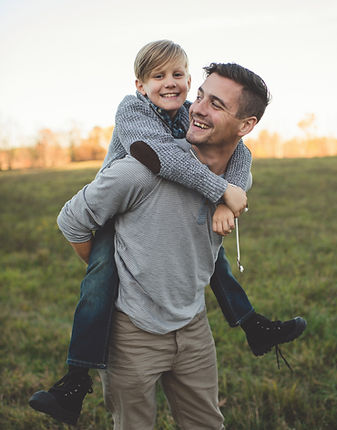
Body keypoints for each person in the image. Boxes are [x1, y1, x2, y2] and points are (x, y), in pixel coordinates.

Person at [29, 42, 306, 426]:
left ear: (246, 126)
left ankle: (252, 325)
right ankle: (76, 380)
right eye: (202, 98)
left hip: (194, 328)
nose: (197, 108)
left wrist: (230, 197)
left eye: (216, 104)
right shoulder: (139, 165)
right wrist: (108, 268)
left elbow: (241, 157)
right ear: (141, 84)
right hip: (133, 331)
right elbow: (71, 220)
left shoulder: (236, 174)